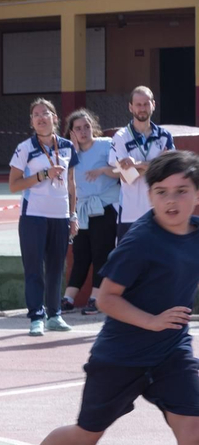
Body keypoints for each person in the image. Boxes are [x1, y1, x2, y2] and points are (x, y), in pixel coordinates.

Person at [0, 150, 199, 445]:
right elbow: (106, 299)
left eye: (182, 191)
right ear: (149, 194)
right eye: (161, 192)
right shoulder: (141, 242)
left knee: (194, 434)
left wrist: (165, 328)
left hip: (171, 352)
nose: (172, 201)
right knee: (88, 435)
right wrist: (154, 320)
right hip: (121, 356)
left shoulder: (195, 232)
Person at [9, 99, 79, 337]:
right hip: (33, 215)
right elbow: (13, 185)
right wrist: (41, 175)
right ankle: (36, 316)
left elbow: (71, 184)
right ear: (31, 122)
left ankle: (54, 314)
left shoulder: (68, 146)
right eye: (36, 115)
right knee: (34, 269)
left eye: (45, 113)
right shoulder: (24, 148)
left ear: (55, 118)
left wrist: (73, 215)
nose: (41, 118)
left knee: (56, 268)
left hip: (60, 216)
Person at [62, 109, 120, 317]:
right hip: (82, 210)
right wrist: (73, 154)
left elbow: (121, 170)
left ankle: (96, 299)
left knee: (101, 254)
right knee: (80, 255)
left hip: (105, 207)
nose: (83, 131)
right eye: (78, 128)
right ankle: (68, 298)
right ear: (72, 132)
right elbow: (65, 182)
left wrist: (104, 170)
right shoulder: (68, 153)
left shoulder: (106, 144)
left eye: (86, 126)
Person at [109, 86, 175, 241]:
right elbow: (127, 178)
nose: (142, 108)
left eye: (146, 104)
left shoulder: (165, 136)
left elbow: (169, 172)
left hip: (159, 212)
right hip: (130, 215)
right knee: (130, 264)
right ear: (130, 107)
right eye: (138, 104)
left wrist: (137, 164)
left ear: (153, 105)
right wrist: (158, 163)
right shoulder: (121, 137)